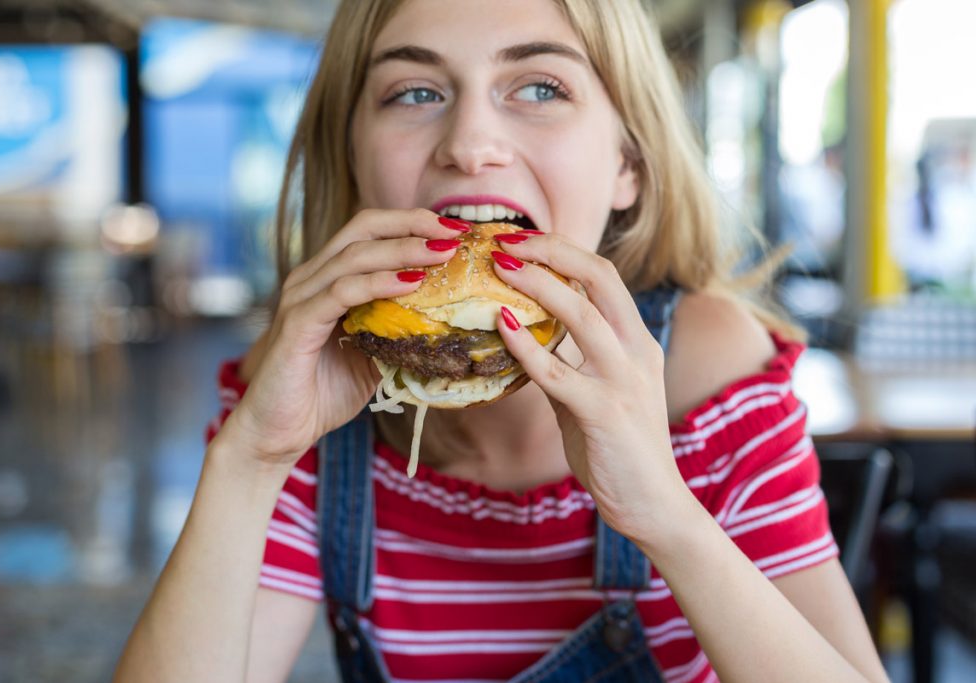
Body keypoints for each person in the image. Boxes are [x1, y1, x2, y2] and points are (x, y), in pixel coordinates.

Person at [114, 1, 890, 681]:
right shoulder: (303, 387)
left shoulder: (715, 370)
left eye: (541, 87)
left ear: (627, 163)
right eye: (414, 91)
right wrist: (252, 457)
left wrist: (665, 511)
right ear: (352, 160)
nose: (470, 142)